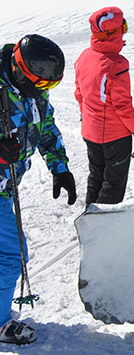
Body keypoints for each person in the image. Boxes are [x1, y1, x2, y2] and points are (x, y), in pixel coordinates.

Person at [0, 35, 75, 346]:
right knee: (9, 255)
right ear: (22, 70)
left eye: (50, 87)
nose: (44, 92)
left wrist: (60, 168)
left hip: (5, 189)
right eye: (42, 85)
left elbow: (46, 129)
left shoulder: (32, 94)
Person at [74, 7, 134, 206]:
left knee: (95, 177)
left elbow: (79, 94)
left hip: (90, 132)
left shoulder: (84, 57)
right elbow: (122, 106)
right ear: (114, 33)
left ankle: (89, 222)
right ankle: (102, 229)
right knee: (113, 185)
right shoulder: (116, 64)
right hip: (114, 137)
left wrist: (87, 117)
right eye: (123, 26)